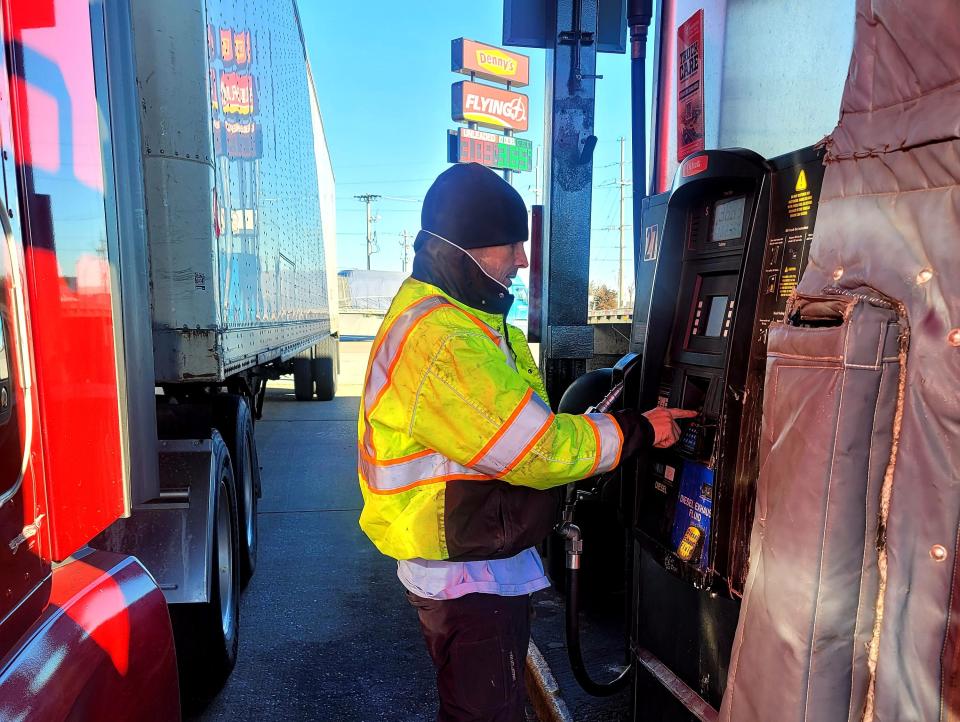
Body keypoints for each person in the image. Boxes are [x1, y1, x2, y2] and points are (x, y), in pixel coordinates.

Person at [357, 163, 695, 721]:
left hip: (469, 553)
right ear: (465, 248)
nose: (522, 258)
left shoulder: (464, 319)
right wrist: (636, 429)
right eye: (510, 244)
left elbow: (515, 429)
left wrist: (586, 429)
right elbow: (535, 452)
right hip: (466, 574)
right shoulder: (444, 340)